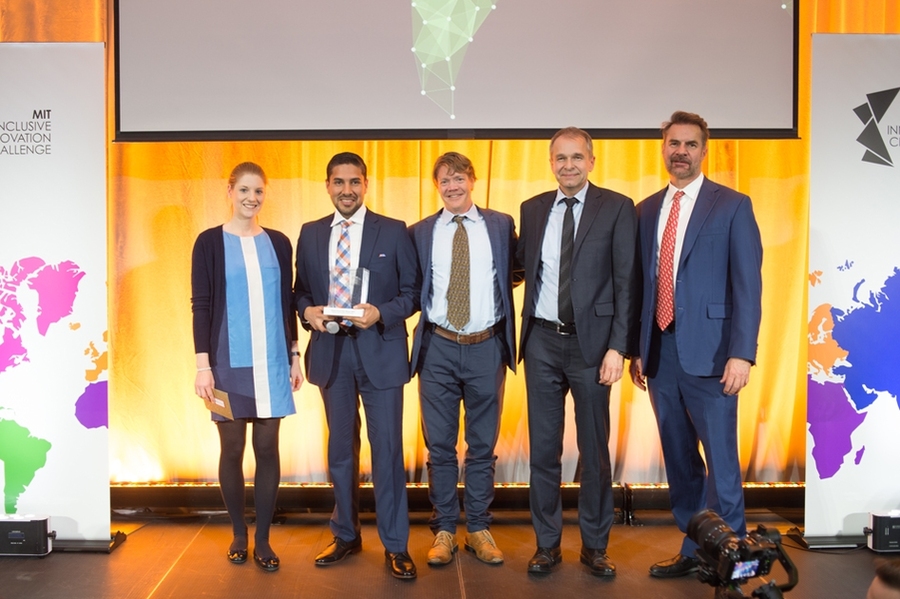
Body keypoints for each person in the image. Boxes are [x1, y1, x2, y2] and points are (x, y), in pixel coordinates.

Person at [629, 111, 763, 578]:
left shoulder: (732, 205)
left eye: (689, 144)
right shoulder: (645, 210)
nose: (680, 152)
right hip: (661, 356)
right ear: (662, 148)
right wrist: (637, 348)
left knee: (722, 465)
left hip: (713, 357)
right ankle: (695, 550)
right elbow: (641, 287)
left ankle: (736, 560)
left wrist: (742, 353)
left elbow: (748, 285)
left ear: (704, 151)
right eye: (673, 144)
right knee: (681, 463)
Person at [517, 127, 639, 576]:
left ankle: (594, 545)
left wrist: (618, 349)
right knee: (543, 451)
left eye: (576, 157)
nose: (568, 165)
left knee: (594, 451)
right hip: (542, 343)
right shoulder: (532, 210)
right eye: (559, 158)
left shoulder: (617, 207)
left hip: (593, 348)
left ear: (591, 161)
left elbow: (628, 284)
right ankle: (547, 544)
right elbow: (519, 266)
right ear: (551, 163)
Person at [294, 152, 419, 580]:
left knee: (386, 452)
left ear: (366, 184)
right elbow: (299, 293)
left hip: (380, 351)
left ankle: (396, 545)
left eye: (354, 182)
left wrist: (380, 312)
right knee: (340, 453)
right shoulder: (310, 234)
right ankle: (346, 533)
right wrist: (307, 312)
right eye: (338, 182)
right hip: (332, 354)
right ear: (327, 185)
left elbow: (411, 294)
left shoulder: (395, 230)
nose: (346, 190)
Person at [408, 152, 522, 566]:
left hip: (486, 346)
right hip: (436, 347)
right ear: (436, 185)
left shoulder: (500, 224)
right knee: (438, 446)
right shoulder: (419, 232)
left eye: (459, 178)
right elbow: (413, 286)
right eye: (444, 180)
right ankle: (442, 531)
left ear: (472, 180)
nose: (452, 186)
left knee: (481, 446)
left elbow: (516, 271)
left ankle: (477, 528)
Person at [191, 161, 303, 572]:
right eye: (244, 190)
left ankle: (264, 540)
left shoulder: (279, 241)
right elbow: (200, 305)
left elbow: (288, 303)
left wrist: (295, 355)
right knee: (231, 449)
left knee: (268, 449)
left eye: (258, 191)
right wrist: (203, 366)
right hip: (223, 364)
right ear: (230, 191)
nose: (251, 198)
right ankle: (239, 532)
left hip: (272, 363)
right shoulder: (208, 243)